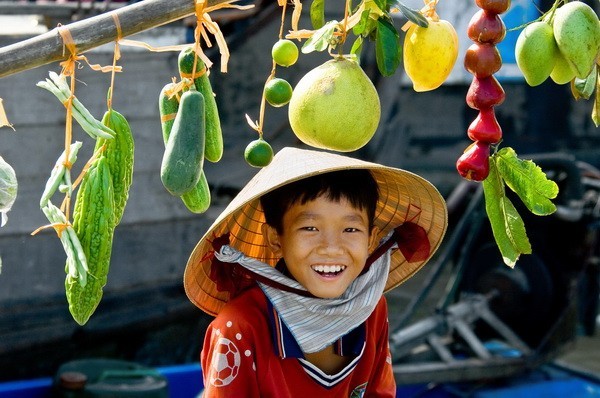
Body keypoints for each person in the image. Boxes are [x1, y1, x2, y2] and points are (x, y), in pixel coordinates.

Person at [183, 146, 448, 397]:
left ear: (371, 240)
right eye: (310, 228)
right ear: (276, 239)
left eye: (350, 229)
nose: (331, 249)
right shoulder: (239, 326)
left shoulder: (370, 307)